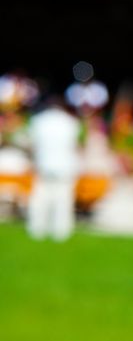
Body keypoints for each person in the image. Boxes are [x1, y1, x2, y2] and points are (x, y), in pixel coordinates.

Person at [27, 97, 82, 241]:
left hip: (44, 165)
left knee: (40, 199)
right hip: (65, 166)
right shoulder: (71, 122)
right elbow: (75, 145)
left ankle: (37, 229)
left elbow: (32, 144)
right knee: (63, 201)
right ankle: (61, 232)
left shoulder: (38, 121)